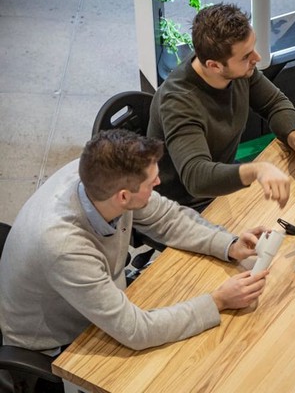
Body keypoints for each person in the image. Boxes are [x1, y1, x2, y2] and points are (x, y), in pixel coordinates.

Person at [0, 129, 270, 357]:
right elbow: (136, 332)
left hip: (96, 299)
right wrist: (218, 301)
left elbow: (167, 218)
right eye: (151, 182)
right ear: (123, 197)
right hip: (57, 341)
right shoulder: (64, 246)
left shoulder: (98, 177)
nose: (159, 181)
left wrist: (229, 244)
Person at [147, 3, 295, 212]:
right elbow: (197, 178)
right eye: (246, 56)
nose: (256, 58)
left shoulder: (237, 70)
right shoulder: (179, 103)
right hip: (184, 206)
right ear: (214, 65)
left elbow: (275, 104)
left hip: (222, 182)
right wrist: (256, 170)